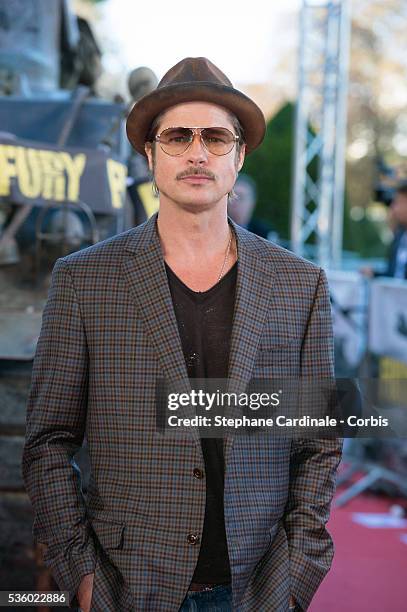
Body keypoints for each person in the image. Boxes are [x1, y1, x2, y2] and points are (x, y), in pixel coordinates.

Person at [22, 57, 342, 612]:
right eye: (177, 137)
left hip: (256, 587)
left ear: (239, 156)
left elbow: (318, 440)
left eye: (216, 138)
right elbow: (49, 440)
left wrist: (297, 572)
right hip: (125, 586)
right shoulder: (82, 280)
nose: (197, 153)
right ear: (149, 154)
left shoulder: (300, 283)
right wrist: (79, 570)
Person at [361, 180, 407, 279]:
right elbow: (395, 275)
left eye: (398, 202)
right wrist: (375, 274)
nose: (393, 208)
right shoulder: (400, 236)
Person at [228, 174, 272, 239]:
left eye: (240, 197)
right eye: (232, 197)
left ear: (252, 202)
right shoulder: (215, 228)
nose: (235, 203)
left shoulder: (265, 233)